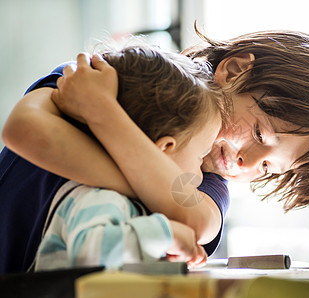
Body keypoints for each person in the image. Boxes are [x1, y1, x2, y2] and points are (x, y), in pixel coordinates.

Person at [1, 28, 309, 274]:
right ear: (235, 71)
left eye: (269, 167)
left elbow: (196, 223)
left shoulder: (206, 182)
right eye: (259, 132)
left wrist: (102, 112)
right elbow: (21, 130)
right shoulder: (105, 78)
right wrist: (102, 101)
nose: (249, 162)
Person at [1, 43, 226, 273]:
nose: (200, 176)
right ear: (165, 147)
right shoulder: (97, 199)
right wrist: (165, 234)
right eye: (200, 158)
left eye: (266, 166)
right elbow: (93, 252)